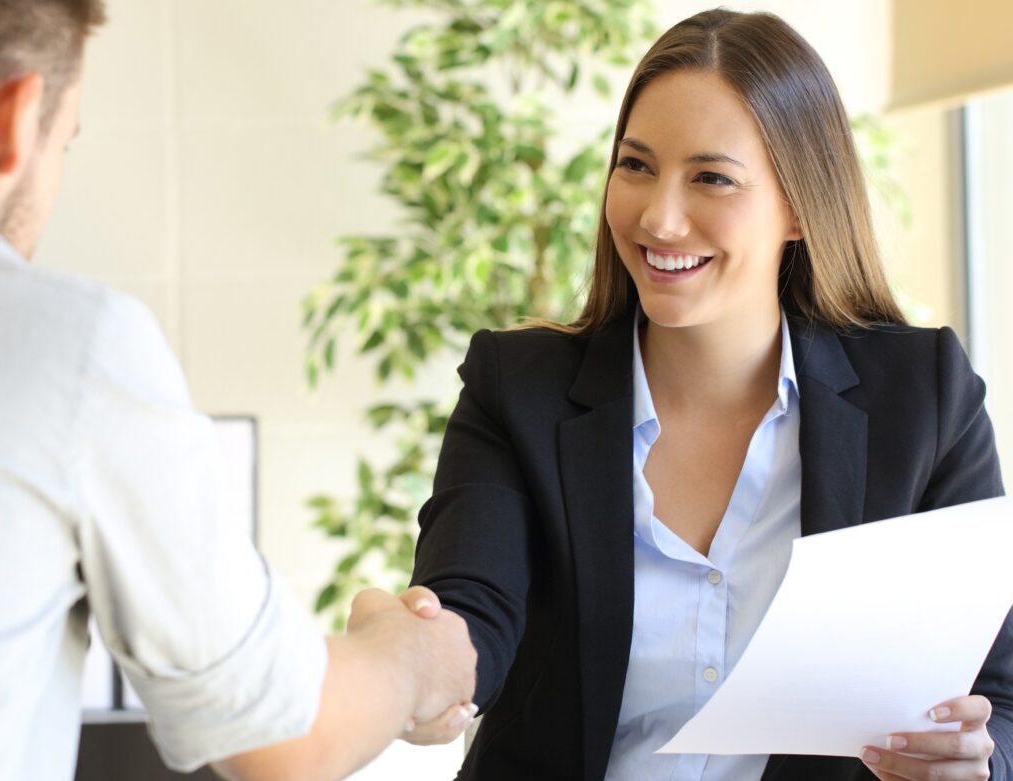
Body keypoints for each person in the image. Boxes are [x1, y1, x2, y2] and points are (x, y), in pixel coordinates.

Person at [409, 8, 1010, 781]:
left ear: (799, 205)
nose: (658, 216)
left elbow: (1000, 692)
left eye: (711, 177)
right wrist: (417, 667)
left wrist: (975, 764)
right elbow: (471, 607)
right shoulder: (517, 387)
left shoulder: (924, 398)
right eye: (636, 165)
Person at [0, 1, 476, 779]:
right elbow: (285, 733)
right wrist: (418, 652)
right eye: (65, 139)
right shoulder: (65, 346)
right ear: (11, 121)